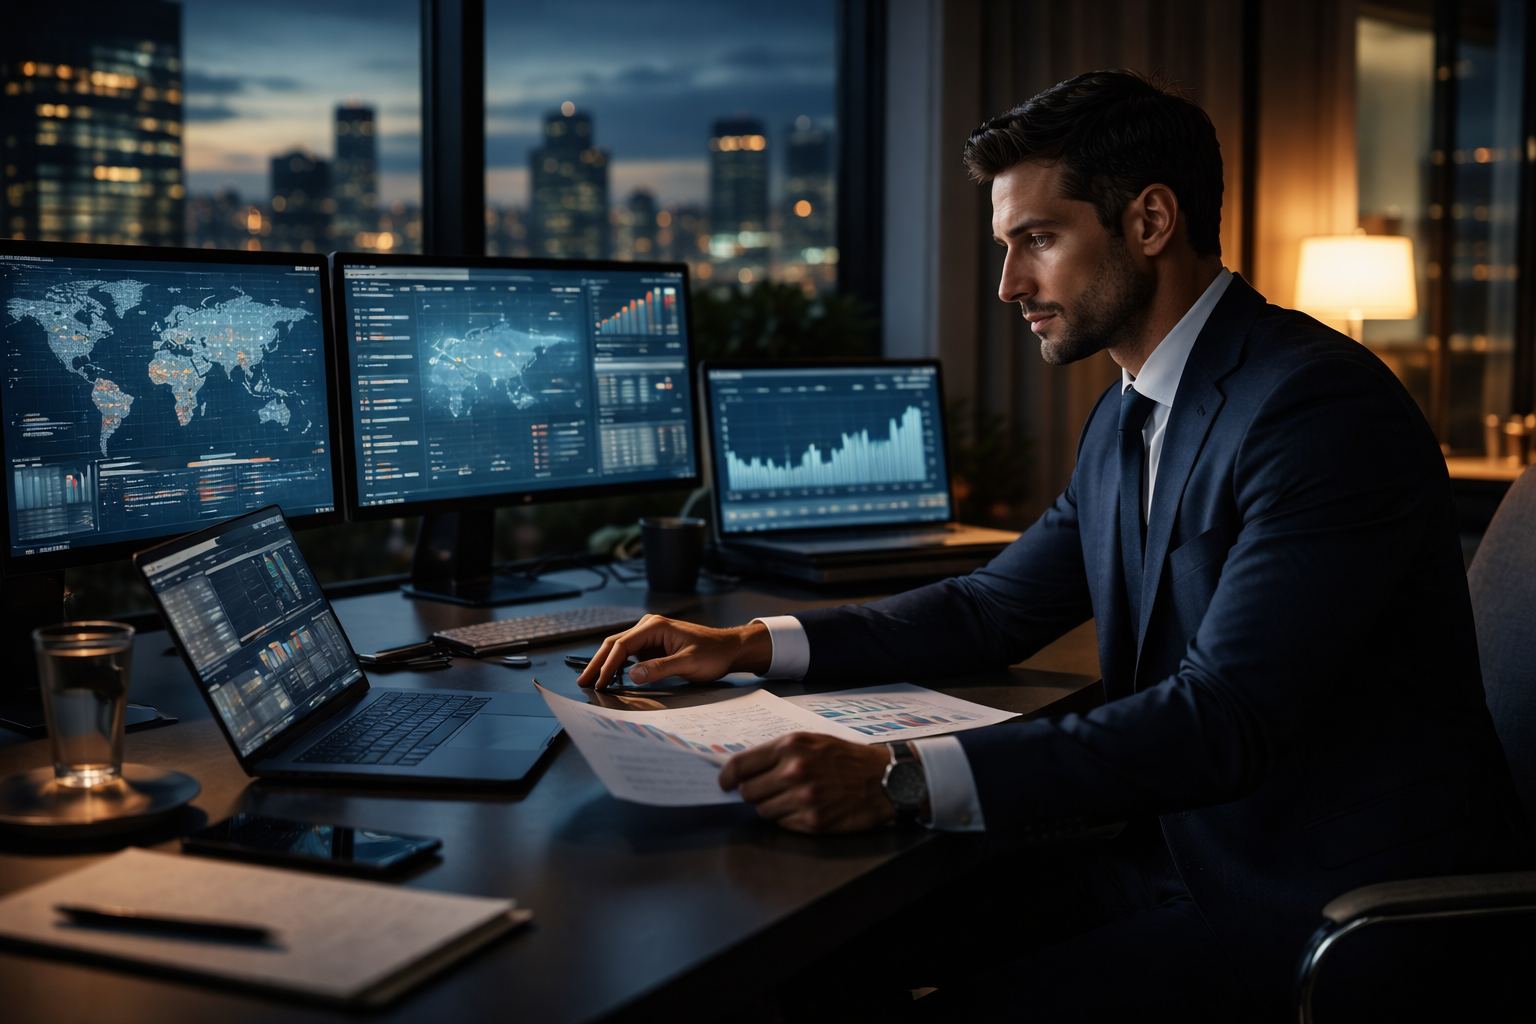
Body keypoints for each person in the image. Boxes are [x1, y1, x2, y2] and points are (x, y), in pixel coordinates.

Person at [578, 71, 1527, 1020]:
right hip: (1171, 852)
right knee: (814, 951)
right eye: (1006, 246)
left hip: (1312, 906)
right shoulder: (1131, 410)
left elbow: (1222, 718)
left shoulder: (1315, 406)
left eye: (1037, 240)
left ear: (1150, 221)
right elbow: (991, 608)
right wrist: (750, 644)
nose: (1008, 285)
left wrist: (901, 777)